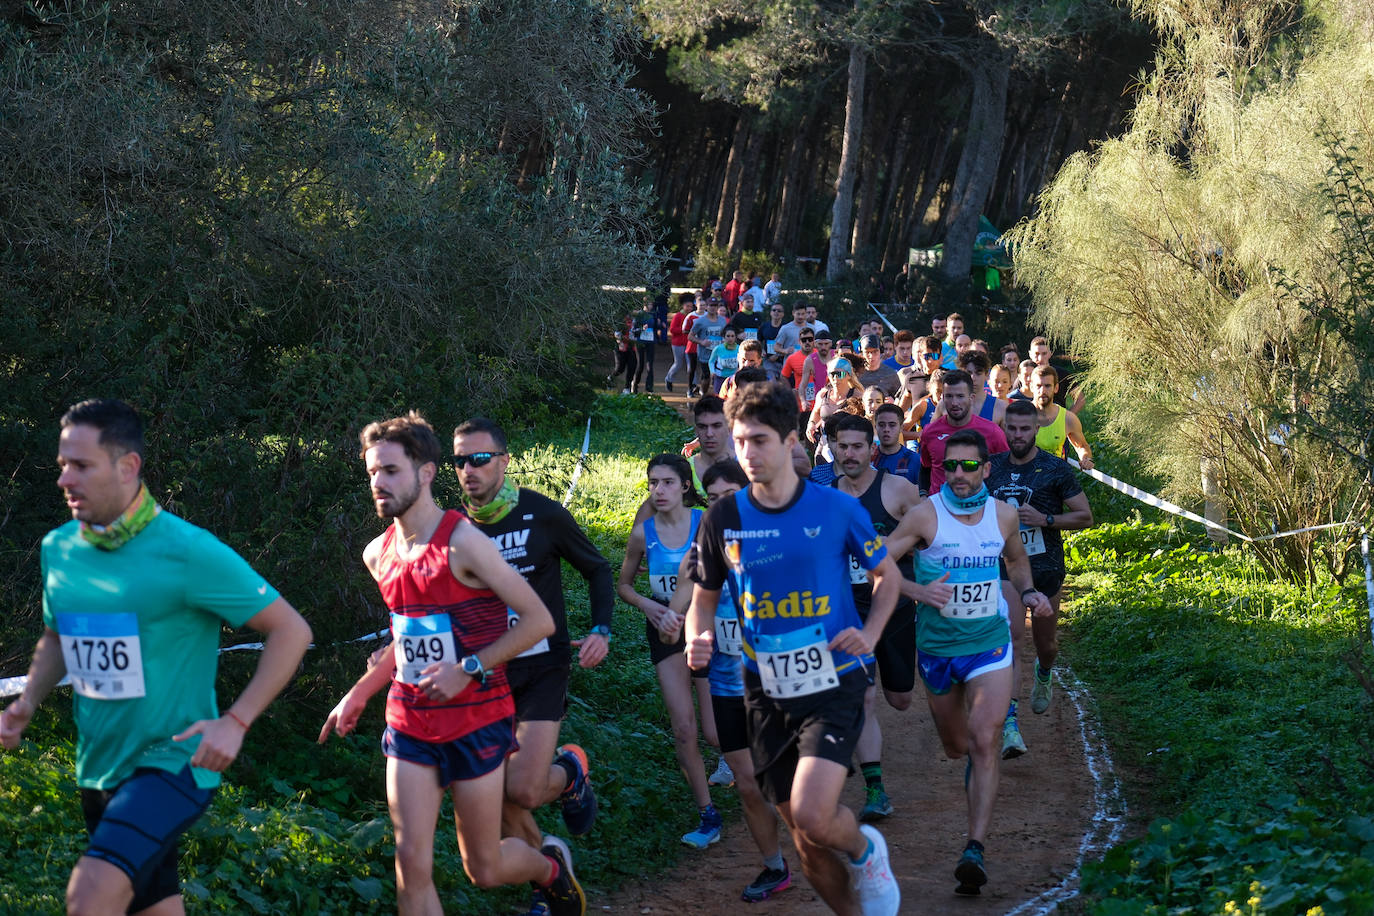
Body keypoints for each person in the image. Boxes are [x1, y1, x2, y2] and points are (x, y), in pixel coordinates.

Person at [1, 398, 313, 916]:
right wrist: (28, 701)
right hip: (99, 767)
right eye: (62, 465)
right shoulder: (59, 547)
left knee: (89, 895)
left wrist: (235, 721)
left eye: (81, 465)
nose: (64, 479)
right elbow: (59, 636)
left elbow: (291, 631)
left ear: (127, 467)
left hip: (173, 762)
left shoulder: (187, 550)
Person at [319, 413, 584, 916]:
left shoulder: (463, 542)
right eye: (373, 472)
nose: (378, 483)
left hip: (476, 720)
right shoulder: (378, 553)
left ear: (424, 474)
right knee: (410, 863)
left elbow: (537, 620)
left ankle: (549, 867)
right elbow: (407, 634)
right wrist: (361, 689)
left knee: (482, 868)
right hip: (411, 721)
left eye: (391, 471)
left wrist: (470, 667)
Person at [685, 381, 902, 916]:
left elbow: (888, 578)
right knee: (805, 843)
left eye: (759, 441)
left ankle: (864, 849)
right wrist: (698, 635)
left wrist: (871, 635)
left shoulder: (834, 508)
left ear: (788, 441)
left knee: (812, 813)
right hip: (764, 690)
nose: (748, 454)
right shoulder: (724, 517)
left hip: (834, 680)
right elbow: (703, 601)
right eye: (740, 442)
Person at [451, 418, 613, 915]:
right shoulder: (455, 531)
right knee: (499, 795)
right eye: (459, 461)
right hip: (486, 674)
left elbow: (597, 567)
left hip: (543, 666)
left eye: (479, 458)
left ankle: (570, 770)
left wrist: (601, 630)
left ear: (503, 459)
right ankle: (549, 884)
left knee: (520, 786)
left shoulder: (542, 514)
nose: (468, 470)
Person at [885, 428, 1052, 897]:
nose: (958, 474)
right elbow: (877, 561)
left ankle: (974, 847)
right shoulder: (924, 516)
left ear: (985, 468)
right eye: (950, 465)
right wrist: (918, 591)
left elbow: (1016, 562)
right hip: (937, 649)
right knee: (957, 745)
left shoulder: (1003, 515)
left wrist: (1029, 591)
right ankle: (971, 770)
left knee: (985, 740)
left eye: (968, 465)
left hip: (989, 643)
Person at [677, 460, 793, 903]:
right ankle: (774, 866)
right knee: (747, 781)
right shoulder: (704, 547)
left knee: (786, 783)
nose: (721, 506)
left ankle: (825, 843)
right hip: (728, 682)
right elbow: (690, 604)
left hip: (780, 679)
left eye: (729, 496)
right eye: (713, 499)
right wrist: (689, 633)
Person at [617, 455, 723, 848]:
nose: (657, 491)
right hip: (663, 631)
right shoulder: (643, 533)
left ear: (684, 486)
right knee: (683, 729)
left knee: (714, 732)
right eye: (652, 483)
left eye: (666, 483)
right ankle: (707, 814)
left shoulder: (705, 523)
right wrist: (649, 606)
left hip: (706, 629)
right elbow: (624, 585)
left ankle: (755, 771)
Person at [829, 414, 923, 825]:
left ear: (872, 450)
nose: (848, 454)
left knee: (899, 699)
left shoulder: (898, 489)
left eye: (856, 447)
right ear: (831, 448)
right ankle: (875, 790)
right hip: (847, 614)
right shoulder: (824, 497)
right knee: (862, 697)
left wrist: (894, 548)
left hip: (896, 610)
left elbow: (928, 532)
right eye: (841, 446)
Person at [986, 400, 1094, 757]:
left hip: (1045, 567)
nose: (1017, 436)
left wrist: (1045, 519)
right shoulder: (992, 468)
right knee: (1013, 638)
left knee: (1045, 645)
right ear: (1004, 429)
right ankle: (1011, 725)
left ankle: (1044, 672)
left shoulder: (1055, 468)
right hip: (1005, 568)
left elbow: (1084, 516)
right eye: (1012, 429)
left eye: (1024, 429)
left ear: (1036, 430)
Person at [919, 369, 1009, 495]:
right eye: (949, 396)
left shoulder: (993, 432)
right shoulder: (929, 432)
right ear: (942, 398)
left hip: (977, 508)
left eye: (960, 396)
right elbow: (925, 468)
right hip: (939, 509)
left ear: (971, 398)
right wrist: (923, 495)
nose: (954, 403)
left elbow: (1006, 470)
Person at [1030, 366, 1094, 469]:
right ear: (1031, 387)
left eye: (1047, 386)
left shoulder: (1068, 418)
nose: (1042, 391)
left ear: (1056, 388)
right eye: (1038, 386)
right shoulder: (1019, 414)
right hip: (1026, 480)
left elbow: (1082, 446)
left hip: (1055, 478)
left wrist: (1086, 458)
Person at [872, 403, 921, 486]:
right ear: (875, 426)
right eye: (881, 425)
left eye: (892, 425)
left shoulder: (915, 460)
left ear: (901, 427)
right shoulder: (868, 459)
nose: (886, 429)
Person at [688, 301, 729, 396]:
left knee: (719, 376)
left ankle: (719, 396)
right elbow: (690, 336)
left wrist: (725, 340)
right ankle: (703, 393)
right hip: (705, 354)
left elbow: (726, 333)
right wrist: (701, 342)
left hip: (720, 354)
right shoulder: (700, 321)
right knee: (707, 376)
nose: (713, 308)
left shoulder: (723, 320)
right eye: (711, 305)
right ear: (707, 307)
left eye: (715, 306)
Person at [665, 294, 694, 393]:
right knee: (678, 364)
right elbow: (672, 329)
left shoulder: (693, 316)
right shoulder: (678, 316)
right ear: (683, 306)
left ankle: (693, 384)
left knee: (691, 364)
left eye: (691, 306)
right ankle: (669, 378)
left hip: (689, 344)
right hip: (678, 344)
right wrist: (684, 330)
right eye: (687, 306)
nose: (689, 308)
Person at [682, 296, 709, 398]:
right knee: (691, 368)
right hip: (692, 346)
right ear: (696, 305)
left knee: (704, 369)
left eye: (704, 305)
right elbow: (684, 330)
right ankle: (689, 389)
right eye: (700, 305)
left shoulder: (708, 316)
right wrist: (695, 333)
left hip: (705, 346)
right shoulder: (690, 316)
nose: (702, 307)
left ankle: (702, 389)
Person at [629, 299, 658, 394]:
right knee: (640, 365)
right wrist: (641, 329)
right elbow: (633, 330)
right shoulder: (639, 315)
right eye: (649, 304)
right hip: (640, 342)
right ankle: (635, 384)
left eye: (651, 304)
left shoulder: (654, 314)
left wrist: (660, 324)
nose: (651, 306)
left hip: (650, 342)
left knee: (650, 365)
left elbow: (656, 326)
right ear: (644, 305)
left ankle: (649, 387)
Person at [708, 327, 742, 394]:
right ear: (724, 337)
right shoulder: (718, 349)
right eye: (728, 336)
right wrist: (712, 371)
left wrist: (739, 370)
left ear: (735, 337)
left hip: (733, 377)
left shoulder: (740, 348)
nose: (730, 338)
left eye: (732, 336)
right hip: (720, 377)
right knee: (718, 397)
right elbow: (711, 361)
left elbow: (742, 362)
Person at [758, 302, 787, 379]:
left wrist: (778, 355)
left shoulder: (786, 327)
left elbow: (791, 345)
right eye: (774, 310)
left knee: (784, 384)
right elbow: (758, 340)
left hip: (784, 361)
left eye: (779, 311)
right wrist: (761, 350)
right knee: (771, 381)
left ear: (783, 314)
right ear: (771, 313)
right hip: (768, 361)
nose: (776, 312)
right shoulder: (764, 326)